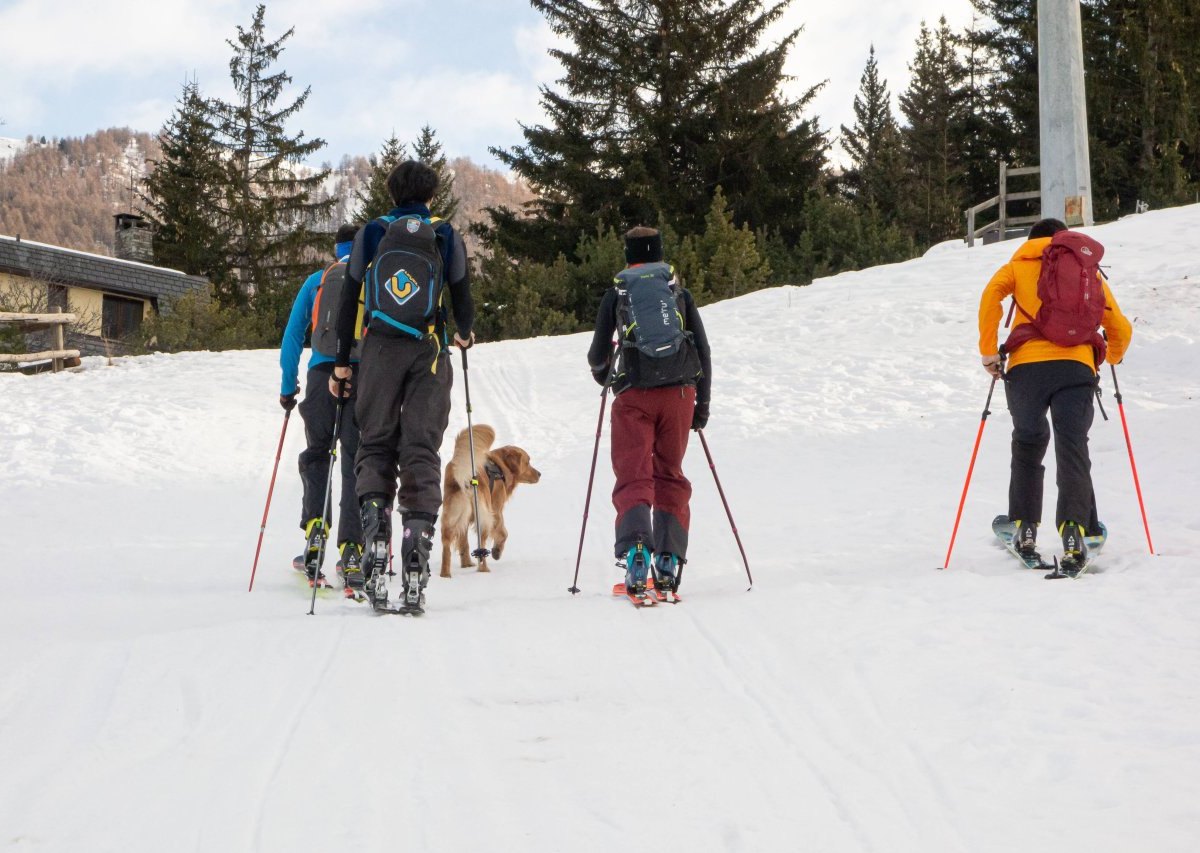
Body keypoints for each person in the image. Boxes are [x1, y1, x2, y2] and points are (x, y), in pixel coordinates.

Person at [329, 160, 474, 611]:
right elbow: (462, 292)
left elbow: (350, 295)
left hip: (378, 350)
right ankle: (416, 552)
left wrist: (341, 363)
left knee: (374, 445)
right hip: (428, 351)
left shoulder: (371, 233)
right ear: (430, 194)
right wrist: (463, 331)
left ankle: (375, 540)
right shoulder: (443, 233)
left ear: (390, 193)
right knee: (420, 450)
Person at [978, 217, 1132, 571]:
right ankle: (1077, 532)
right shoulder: (1083, 271)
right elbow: (1117, 324)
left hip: (1025, 370)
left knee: (1029, 442)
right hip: (1076, 369)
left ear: (1032, 239)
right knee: (1073, 445)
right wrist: (1112, 355)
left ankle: (1025, 530)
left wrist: (989, 351)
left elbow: (991, 299)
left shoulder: (1016, 266)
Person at [587, 225, 712, 598]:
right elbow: (702, 351)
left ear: (629, 256)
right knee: (670, 474)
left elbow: (597, 356)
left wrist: (604, 377)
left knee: (634, 475)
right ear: (659, 255)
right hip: (679, 396)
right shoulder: (678, 294)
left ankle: (637, 550)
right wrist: (701, 405)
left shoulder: (618, 293)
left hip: (634, 395)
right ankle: (670, 560)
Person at [279, 223, 363, 588]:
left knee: (318, 454)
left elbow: (292, 337)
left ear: (336, 248)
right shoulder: (372, 280)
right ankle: (353, 551)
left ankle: (316, 530)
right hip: (361, 380)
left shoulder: (318, 279)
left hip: (319, 379)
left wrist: (287, 388)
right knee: (355, 462)